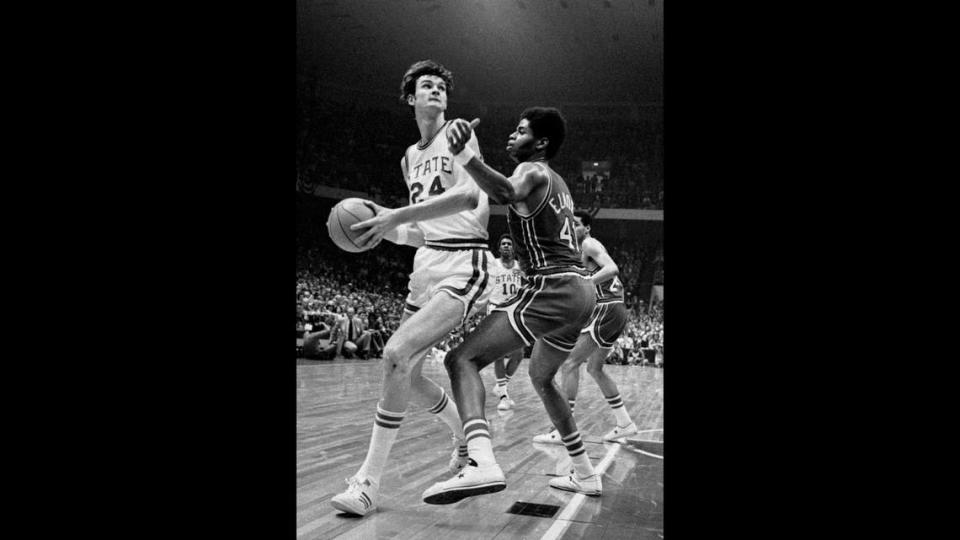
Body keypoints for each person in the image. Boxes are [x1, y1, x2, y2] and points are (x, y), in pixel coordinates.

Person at [329, 60, 494, 517]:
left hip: (465, 261)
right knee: (410, 372)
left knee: (396, 353)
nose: (436, 91)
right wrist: (391, 231)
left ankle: (368, 483)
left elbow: (467, 198)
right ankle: (463, 434)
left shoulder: (459, 132)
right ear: (411, 98)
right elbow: (426, 229)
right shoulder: (409, 156)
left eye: (442, 86)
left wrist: (395, 214)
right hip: (428, 263)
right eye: (427, 85)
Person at [422, 107, 602, 505]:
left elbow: (504, 191)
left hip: (552, 287)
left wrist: (467, 158)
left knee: (461, 360)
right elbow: (504, 187)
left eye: (520, 131)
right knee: (541, 378)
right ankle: (586, 473)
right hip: (581, 292)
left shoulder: (532, 171)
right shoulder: (559, 183)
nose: (512, 135)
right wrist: (478, 160)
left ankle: (481, 461)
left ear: (540, 143)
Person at [532, 211, 639, 446]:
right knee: (594, 368)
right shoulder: (573, 252)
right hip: (615, 310)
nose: (572, 227)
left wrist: (584, 284)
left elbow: (612, 269)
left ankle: (563, 430)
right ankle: (624, 423)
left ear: (587, 228)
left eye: (577, 224)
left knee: (570, 363)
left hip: (608, 307)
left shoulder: (589, 243)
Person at [482, 233, 525, 410]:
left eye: (509, 243)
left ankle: (501, 385)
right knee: (499, 354)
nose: (506, 246)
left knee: (519, 354)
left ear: (513, 248)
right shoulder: (493, 264)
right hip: (496, 308)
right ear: (499, 248)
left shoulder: (520, 266)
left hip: (515, 310)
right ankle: (503, 396)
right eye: (503, 244)